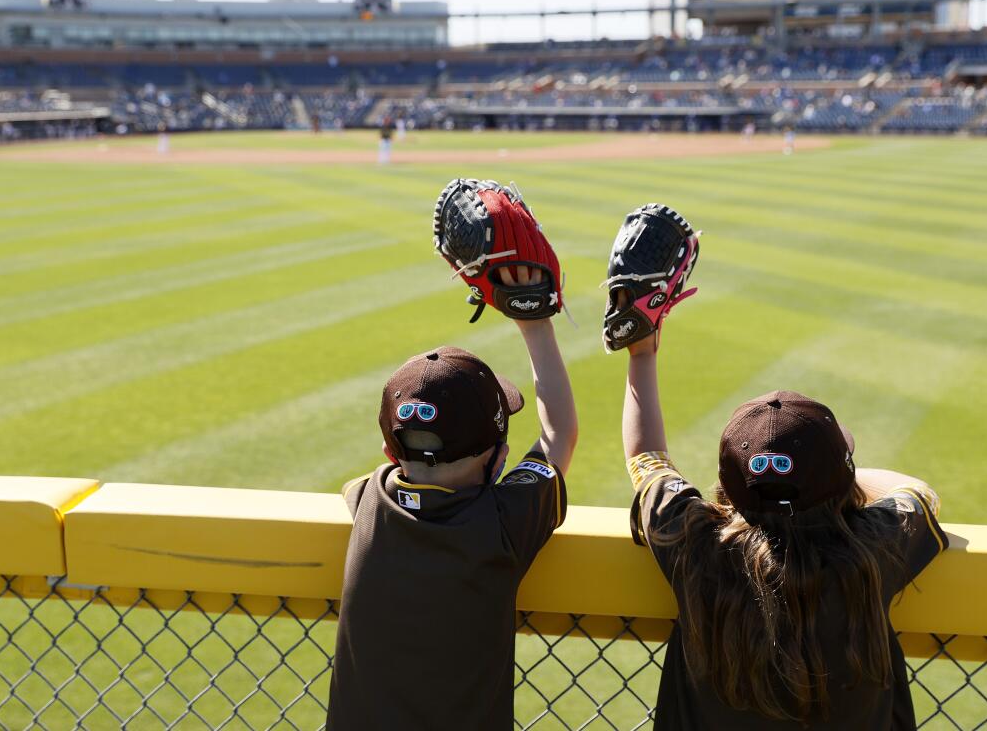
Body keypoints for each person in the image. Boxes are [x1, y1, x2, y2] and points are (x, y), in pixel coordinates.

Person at [619, 325, 948, 730]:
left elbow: (647, 459)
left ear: (728, 486)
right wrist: (837, 474)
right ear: (841, 482)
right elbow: (919, 493)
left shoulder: (695, 542)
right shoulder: (871, 548)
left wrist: (641, 354)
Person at [326, 266, 577, 731]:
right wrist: (534, 320)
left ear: (388, 452)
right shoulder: (502, 523)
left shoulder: (368, 497)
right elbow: (558, 432)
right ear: (500, 459)